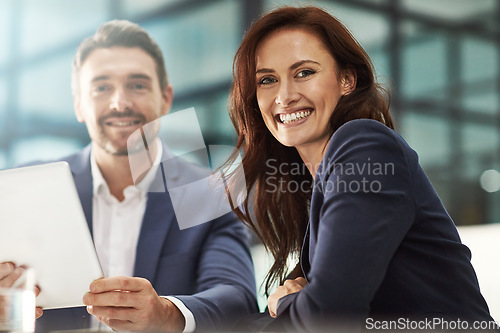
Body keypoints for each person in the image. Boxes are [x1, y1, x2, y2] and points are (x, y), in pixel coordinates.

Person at [226, 6, 496, 332]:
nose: (284, 96)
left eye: (304, 72)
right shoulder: (319, 190)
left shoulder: (365, 144)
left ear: (347, 80)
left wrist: (284, 301)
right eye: (267, 80)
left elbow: (327, 316)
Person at [10, 20, 257, 332]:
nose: (120, 103)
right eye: (101, 87)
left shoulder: (211, 193)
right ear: (79, 104)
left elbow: (238, 298)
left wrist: (167, 314)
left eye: (137, 85)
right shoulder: (30, 188)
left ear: (166, 98)